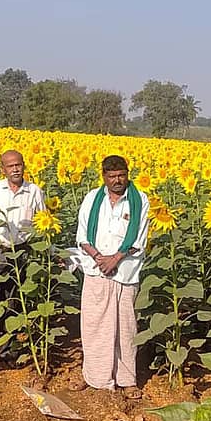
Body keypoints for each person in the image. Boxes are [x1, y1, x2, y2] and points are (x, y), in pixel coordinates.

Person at [73, 155, 149, 398]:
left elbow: (139, 239)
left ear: (128, 173)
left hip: (125, 271)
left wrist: (115, 259)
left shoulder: (140, 200)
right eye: (112, 176)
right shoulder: (92, 199)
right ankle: (95, 376)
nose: (118, 180)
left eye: (122, 175)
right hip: (96, 270)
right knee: (94, 325)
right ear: (104, 177)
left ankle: (127, 379)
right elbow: (82, 235)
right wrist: (99, 257)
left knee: (125, 326)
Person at [0, 150, 45, 356]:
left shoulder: (34, 191)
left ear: (24, 166)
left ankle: (7, 348)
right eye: (10, 166)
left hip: (21, 250)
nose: (15, 169)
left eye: (18, 164)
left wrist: (48, 250)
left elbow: (41, 221)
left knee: (13, 299)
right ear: (3, 169)